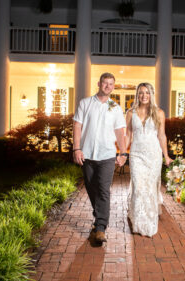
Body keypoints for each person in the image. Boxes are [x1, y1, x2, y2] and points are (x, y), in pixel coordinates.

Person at [73, 73, 127, 244]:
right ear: (99, 83)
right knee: (91, 189)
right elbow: (77, 126)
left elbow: (120, 132)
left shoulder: (116, 108)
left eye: (111, 84)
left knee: (103, 190)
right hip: (87, 154)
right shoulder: (85, 103)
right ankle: (98, 221)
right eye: (105, 83)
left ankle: (101, 227)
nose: (108, 87)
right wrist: (76, 149)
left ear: (113, 87)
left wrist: (123, 152)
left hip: (107, 155)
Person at [125, 82, 172, 237]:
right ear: (137, 95)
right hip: (136, 155)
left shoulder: (159, 113)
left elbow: (162, 135)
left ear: (151, 95)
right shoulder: (131, 113)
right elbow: (128, 135)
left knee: (151, 189)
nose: (144, 96)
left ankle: (150, 222)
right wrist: (123, 153)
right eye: (141, 93)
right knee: (139, 188)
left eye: (147, 92)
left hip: (154, 155)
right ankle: (138, 222)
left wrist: (166, 156)